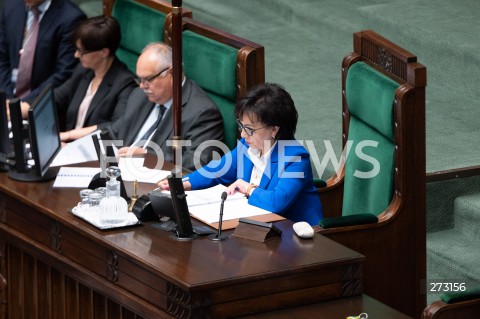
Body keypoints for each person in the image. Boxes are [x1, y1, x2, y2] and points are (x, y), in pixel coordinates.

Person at [158, 83, 323, 225]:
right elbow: (217, 170)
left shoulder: (295, 158)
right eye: (241, 126)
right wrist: (181, 183)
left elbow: (276, 203)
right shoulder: (247, 146)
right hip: (254, 228)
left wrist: (247, 188)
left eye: (249, 130)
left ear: (274, 129)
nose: (243, 135)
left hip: (293, 237)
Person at [108, 42, 224, 172]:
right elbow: (116, 131)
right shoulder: (139, 96)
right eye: (140, 79)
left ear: (172, 73)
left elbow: (198, 163)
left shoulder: (202, 112)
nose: (142, 86)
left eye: (148, 79)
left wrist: (147, 158)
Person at [52, 15, 136, 142]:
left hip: (94, 153)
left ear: (104, 52)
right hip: (66, 145)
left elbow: (115, 127)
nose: (76, 55)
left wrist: (69, 135)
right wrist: (24, 109)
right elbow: (58, 98)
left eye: (82, 51)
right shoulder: (84, 70)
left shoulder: (125, 84)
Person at [0, 0, 86, 104]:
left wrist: (24, 104)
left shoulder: (71, 17)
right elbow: (2, 56)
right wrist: (6, 98)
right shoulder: (10, 5)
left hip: (40, 103)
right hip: (7, 95)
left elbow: (64, 72)